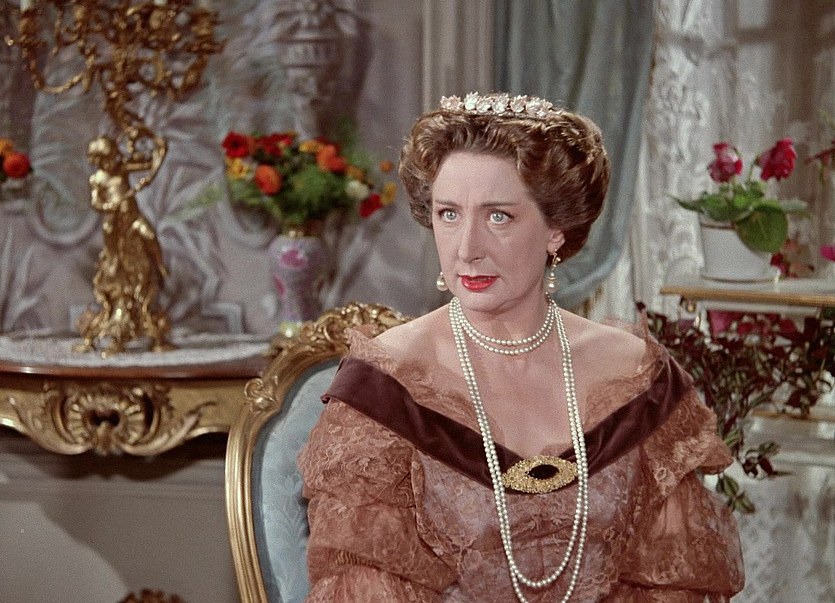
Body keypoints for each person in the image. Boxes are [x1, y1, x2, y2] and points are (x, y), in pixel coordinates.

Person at [298, 92, 744, 601]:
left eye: (499, 217)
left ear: (556, 229)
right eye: (449, 214)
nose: (467, 249)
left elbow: (673, 582)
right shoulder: (385, 386)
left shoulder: (636, 377)